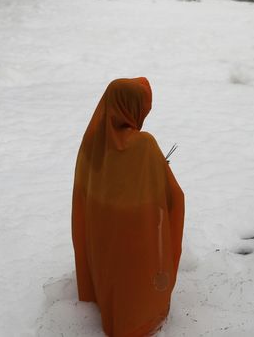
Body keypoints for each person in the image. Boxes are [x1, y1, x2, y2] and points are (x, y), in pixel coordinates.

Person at [72, 77, 185, 337]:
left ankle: (105, 303)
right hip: (134, 238)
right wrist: (158, 171)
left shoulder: (92, 143)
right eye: (142, 108)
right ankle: (135, 322)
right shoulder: (144, 146)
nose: (144, 114)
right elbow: (173, 197)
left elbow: (89, 192)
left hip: (103, 239)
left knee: (112, 278)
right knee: (133, 287)